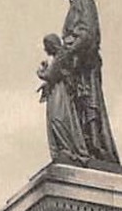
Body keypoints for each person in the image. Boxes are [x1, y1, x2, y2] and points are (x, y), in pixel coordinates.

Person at [53, 0, 120, 164]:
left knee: (89, 103)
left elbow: (88, 32)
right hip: (75, 64)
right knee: (80, 106)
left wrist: (71, 48)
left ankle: (97, 147)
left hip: (86, 63)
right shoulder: (74, 5)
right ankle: (86, 146)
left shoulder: (85, 1)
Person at [38, 33, 90, 165]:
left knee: (58, 119)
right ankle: (63, 149)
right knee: (54, 120)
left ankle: (68, 149)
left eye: (46, 46)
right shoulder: (58, 57)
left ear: (52, 44)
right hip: (55, 92)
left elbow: (50, 75)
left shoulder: (61, 56)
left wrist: (41, 71)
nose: (45, 50)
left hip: (60, 93)